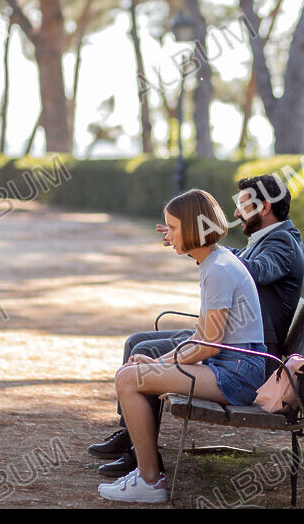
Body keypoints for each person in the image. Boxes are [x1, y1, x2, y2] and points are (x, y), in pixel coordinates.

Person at [88, 174, 304, 478]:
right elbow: (227, 266)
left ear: (265, 206)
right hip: (232, 338)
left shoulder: (282, 241)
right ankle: (133, 438)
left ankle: (140, 455)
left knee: (144, 351)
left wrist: (193, 240)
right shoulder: (231, 256)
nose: (236, 213)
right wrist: (190, 240)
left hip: (246, 350)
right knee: (138, 342)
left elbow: (254, 270)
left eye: (243, 205)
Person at [98, 189, 267, 503]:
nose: (167, 235)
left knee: (127, 379)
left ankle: (149, 481)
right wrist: (156, 362)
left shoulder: (217, 270)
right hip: (233, 367)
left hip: (238, 374)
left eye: (173, 228)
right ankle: (147, 474)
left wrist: (156, 366)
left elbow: (209, 346)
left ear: (192, 228)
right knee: (135, 365)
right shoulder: (213, 261)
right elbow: (200, 337)